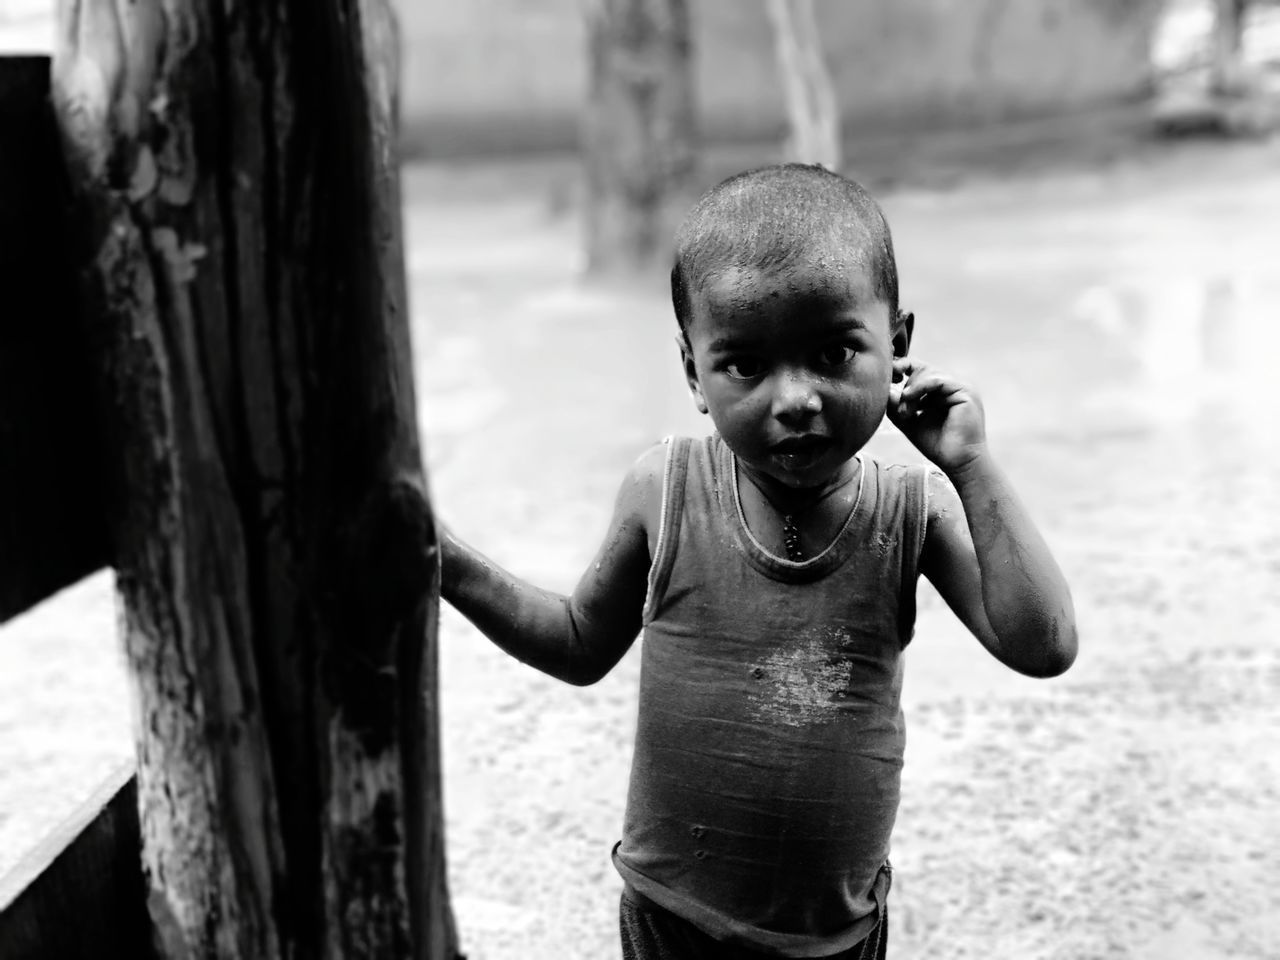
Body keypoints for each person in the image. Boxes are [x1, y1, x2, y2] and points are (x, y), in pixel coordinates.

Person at [439, 163, 1077, 959]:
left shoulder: (917, 510)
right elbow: (577, 643)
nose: (795, 398)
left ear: (899, 344)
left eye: (836, 352)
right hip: (676, 918)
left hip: (834, 935)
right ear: (693, 374)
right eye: (745, 364)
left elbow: (1044, 645)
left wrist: (972, 465)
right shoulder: (665, 491)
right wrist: (448, 564)